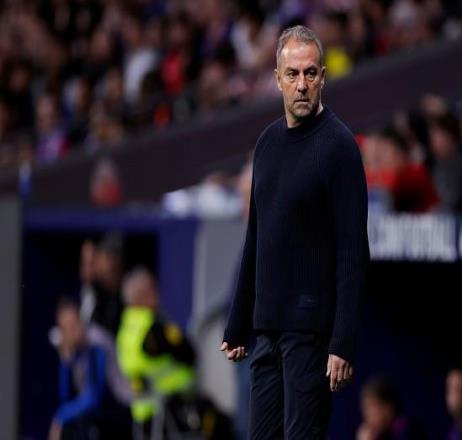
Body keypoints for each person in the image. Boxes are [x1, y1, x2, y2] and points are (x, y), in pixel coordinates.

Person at [220, 25, 370, 439]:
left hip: (312, 334)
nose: (301, 84)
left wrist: (342, 340)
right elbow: (256, 237)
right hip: (266, 330)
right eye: (292, 74)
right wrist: (238, 321)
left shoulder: (339, 147)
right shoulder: (267, 144)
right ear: (277, 79)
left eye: (310, 73)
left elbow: (353, 251)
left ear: (323, 77)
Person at [116, 267, 196, 439]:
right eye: (151, 289)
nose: (156, 293)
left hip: (142, 410)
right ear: (139, 296)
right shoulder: (153, 327)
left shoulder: (125, 327)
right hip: (168, 407)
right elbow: (189, 354)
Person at [49, 298, 131, 440]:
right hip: (99, 415)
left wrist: (59, 417)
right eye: (66, 328)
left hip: (122, 409)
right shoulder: (75, 349)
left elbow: (94, 398)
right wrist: (66, 362)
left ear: (81, 320)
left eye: (74, 324)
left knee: (75, 421)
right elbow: (65, 396)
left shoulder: (96, 343)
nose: (71, 331)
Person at [357, 377, 426, 440]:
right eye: (364, 408)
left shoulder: (406, 430)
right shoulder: (382, 434)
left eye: (371, 407)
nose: (366, 414)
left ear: (388, 408)